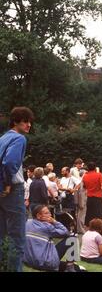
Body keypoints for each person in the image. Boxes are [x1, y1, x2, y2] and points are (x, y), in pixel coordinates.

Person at [0, 107, 33, 272]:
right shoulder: (19, 138)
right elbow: (9, 163)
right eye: (25, 121)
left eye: (30, 122)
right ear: (15, 121)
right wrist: (7, 183)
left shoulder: (3, 138)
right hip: (13, 190)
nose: (29, 125)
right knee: (17, 239)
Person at [24, 205, 76, 272]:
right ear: (38, 216)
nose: (50, 215)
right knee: (72, 238)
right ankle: (70, 268)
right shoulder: (47, 227)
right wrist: (54, 222)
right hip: (46, 263)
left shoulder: (27, 223)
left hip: (28, 261)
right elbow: (65, 232)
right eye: (47, 213)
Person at [82, 162, 102, 226]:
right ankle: (98, 226)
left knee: (89, 213)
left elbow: (84, 187)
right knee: (98, 214)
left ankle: (90, 226)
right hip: (98, 197)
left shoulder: (85, 176)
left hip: (89, 197)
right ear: (95, 168)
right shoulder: (99, 175)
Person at [71, 158, 87, 234]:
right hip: (76, 190)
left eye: (81, 164)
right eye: (78, 164)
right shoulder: (72, 170)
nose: (80, 165)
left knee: (80, 210)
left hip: (80, 191)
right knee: (77, 210)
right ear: (76, 164)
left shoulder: (82, 171)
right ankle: (76, 228)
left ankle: (79, 228)